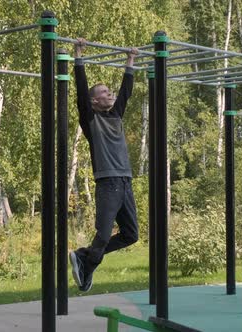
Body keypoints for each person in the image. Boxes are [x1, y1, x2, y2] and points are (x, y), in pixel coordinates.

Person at [69, 38, 139, 292]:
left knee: (131, 235)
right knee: (103, 232)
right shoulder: (91, 120)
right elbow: (80, 91)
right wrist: (79, 55)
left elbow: (126, 90)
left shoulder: (116, 114)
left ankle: (84, 257)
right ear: (95, 102)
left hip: (125, 181)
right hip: (108, 182)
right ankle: (87, 264)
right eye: (105, 93)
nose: (111, 95)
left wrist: (130, 60)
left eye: (110, 92)